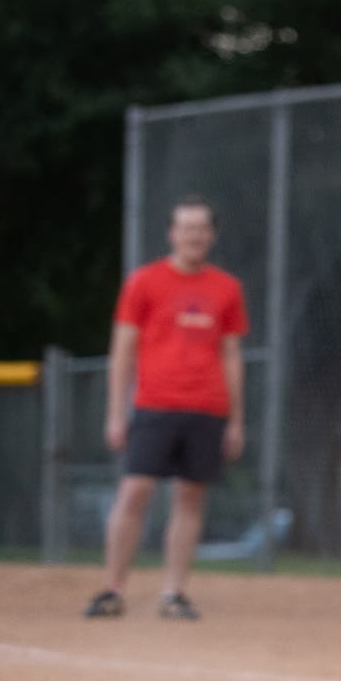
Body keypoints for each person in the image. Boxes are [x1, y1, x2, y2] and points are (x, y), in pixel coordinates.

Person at [88, 195, 248, 622]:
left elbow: (232, 355)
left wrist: (236, 420)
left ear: (211, 236)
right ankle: (113, 588)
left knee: (190, 498)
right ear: (172, 234)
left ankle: (174, 593)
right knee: (134, 492)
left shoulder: (227, 288)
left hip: (207, 406)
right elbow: (123, 350)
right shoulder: (144, 282)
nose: (194, 235)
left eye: (201, 228)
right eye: (186, 227)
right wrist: (116, 412)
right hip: (154, 404)